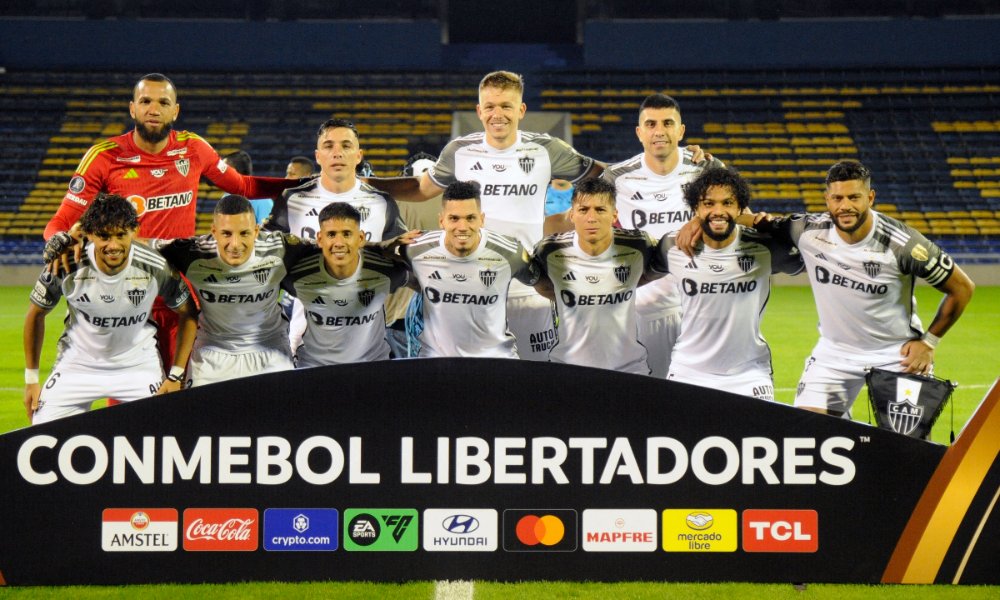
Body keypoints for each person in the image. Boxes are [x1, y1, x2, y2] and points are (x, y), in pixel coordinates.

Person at [42, 73, 297, 370]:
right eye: (145, 101)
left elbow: (243, 186)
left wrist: (308, 183)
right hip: (128, 297)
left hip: (180, 295)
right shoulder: (104, 157)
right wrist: (57, 240)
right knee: (129, 398)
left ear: (175, 110)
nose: (154, 109)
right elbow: (60, 221)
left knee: (181, 391)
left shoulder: (193, 148)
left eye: (163, 102)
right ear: (132, 108)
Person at [367, 71, 603, 361]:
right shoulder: (460, 151)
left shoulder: (546, 149)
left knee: (537, 379)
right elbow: (420, 187)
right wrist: (366, 184)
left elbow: (603, 175)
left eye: (506, 105)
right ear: (479, 111)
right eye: (490, 106)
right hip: (471, 290)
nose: (498, 114)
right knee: (475, 383)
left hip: (529, 289)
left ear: (521, 109)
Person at [753, 160, 975, 417]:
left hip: (896, 356)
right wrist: (696, 223)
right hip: (833, 355)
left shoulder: (903, 244)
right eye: (837, 198)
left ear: (870, 197)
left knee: (906, 449)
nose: (844, 206)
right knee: (810, 434)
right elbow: (750, 219)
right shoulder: (807, 230)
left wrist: (929, 342)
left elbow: (962, 287)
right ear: (827, 199)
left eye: (853, 197)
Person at [24, 193, 197, 424]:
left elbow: (188, 313)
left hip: (137, 367)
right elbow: (36, 314)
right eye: (104, 236)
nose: (113, 245)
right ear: (89, 234)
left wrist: (175, 375)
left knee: (162, 433)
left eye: (120, 235)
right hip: (77, 365)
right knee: (41, 433)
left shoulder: (154, 266)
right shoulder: (66, 263)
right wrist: (31, 379)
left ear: (134, 231)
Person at [602, 93, 725, 378]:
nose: (659, 131)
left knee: (707, 400)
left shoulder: (707, 169)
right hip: (644, 310)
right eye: (651, 124)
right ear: (639, 132)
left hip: (703, 306)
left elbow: (739, 216)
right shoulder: (617, 178)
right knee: (652, 402)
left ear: (681, 130)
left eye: (668, 123)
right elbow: (587, 220)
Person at [654, 167, 802, 401]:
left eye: (727, 203)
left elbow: (811, 256)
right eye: (708, 203)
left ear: (739, 208)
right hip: (688, 372)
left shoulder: (767, 248)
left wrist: (756, 221)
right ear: (696, 209)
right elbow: (637, 273)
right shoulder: (672, 247)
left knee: (758, 438)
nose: (718, 211)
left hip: (749, 374)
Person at [151, 194, 316, 386]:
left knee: (278, 416)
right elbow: (140, 246)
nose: (235, 244)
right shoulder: (192, 253)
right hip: (212, 355)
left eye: (244, 233)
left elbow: (330, 249)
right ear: (214, 231)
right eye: (227, 234)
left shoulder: (281, 248)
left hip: (270, 350)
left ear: (256, 231)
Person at [396, 181, 540, 358]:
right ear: (441, 221)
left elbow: (543, 283)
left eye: (470, 218)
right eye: (454, 218)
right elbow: (377, 256)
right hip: (436, 362)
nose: (462, 227)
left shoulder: (511, 253)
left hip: (496, 360)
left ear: (482, 219)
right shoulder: (415, 248)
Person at [532, 178, 660, 374]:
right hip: (567, 368)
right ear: (572, 214)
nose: (591, 218)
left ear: (614, 214)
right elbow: (541, 285)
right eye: (583, 210)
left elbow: (662, 264)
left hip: (630, 369)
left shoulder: (639, 245)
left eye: (600, 209)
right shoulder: (548, 250)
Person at [284, 202, 408, 366]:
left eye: (347, 234)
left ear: (361, 238)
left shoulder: (386, 271)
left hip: (372, 368)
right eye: (331, 234)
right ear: (319, 239)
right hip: (315, 369)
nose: (339, 242)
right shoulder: (298, 274)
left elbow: (422, 282)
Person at [265, 118, 406, 243]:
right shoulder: (291, 199)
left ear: (359, 156)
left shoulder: (383, 202)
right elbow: (268, 250)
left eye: (346, 146)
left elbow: (398, 255)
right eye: (328, 146)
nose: (337, 153)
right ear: (318, 156)